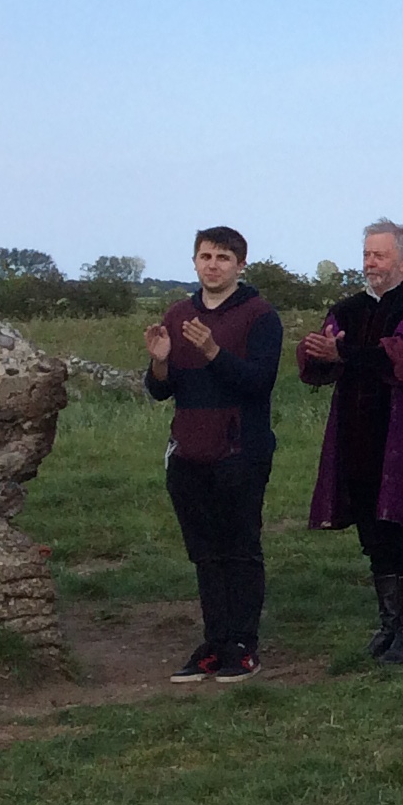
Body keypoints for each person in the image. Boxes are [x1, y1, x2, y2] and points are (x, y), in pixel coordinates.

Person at [297, 219, 403, 665]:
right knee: (373, 532)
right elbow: (320, 361)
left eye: (379, 255)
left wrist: (345, 354)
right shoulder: (348, 309)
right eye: (367, 254)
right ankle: (388, 625)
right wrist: (318, 352)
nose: (370, 263)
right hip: (357, 435)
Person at [144, 224, 283, 682]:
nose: (213, 265)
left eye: (223, 258)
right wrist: (160, 361)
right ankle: (215, 642)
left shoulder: (260, 316)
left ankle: (242, 645)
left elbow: (258, 383)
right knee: (204, 553)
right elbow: (161, 390)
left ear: (240, 265)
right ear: (194, 262)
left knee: (239, 550)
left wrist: (213, 352)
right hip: (188, 452)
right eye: (206, 257)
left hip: (240, 450)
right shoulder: (178, 314)